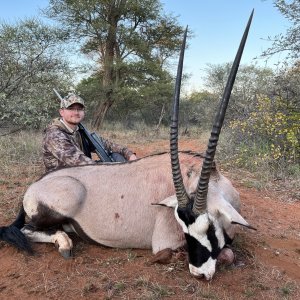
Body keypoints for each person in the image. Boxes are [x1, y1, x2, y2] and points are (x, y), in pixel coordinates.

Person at [43, 93, 137, 172]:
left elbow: (107, 145)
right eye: (71, 108)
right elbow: (80, 162)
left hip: (80, 173)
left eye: (79, 109)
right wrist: (111, 169)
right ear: (61, 112)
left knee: (117, 157)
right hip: (63, 179)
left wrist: (129, 154)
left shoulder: (79, 130)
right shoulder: (54, 134)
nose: (76, 112)